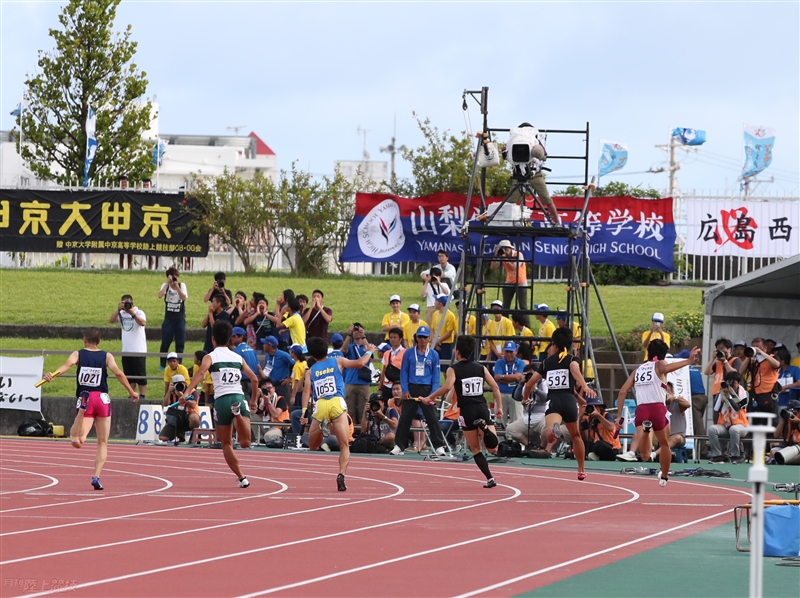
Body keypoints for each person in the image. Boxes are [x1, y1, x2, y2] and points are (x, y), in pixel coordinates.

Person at [41, 327, 139, 490]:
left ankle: (81, 410)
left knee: (77, 441)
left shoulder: (78, 354)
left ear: (84, 340)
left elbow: (66, 366)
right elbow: (119, 374)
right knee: (103, 442)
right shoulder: (107, 356)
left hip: (86, 397)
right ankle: (96, 476)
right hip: (102, 399)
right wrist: (131, 391)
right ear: (99, 341)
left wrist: (52, 375)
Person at [183, 321, 259, 488]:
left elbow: (201, 372)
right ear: (229, 339)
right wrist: (253, 400)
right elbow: (254, 378)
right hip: (238, 396)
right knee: (246, 443)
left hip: (222, 400)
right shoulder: (238, 357)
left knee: (226, 443)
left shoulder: (210, 357)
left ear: (213, 339)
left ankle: (242, 477)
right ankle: (238, 413)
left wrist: (188, 391)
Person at [615, 340, 701, 485]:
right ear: (663, 355)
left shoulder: (637, 370)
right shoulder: (660, 364)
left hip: (642, 409)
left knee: (645, 455)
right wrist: (689, 360)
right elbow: (667, 368)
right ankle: (665, 476)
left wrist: (619, 416)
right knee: (664, 444)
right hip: (658, 408)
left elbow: (623, 391)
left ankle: (647, 431)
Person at [424, 335, 503, 487]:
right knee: (493, 448)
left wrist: (430, 397)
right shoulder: (481, 368)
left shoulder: (453, 369)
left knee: (475, 448)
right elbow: (495, 386)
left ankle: (490, 478)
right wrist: (499, 407)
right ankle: (485, 428)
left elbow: (447, 387)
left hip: (467, 411)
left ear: (457, 352)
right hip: (481, 407)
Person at [300, 335, 376, 491]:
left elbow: (306, 391)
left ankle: (323, 428)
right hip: (336, 403)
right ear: (326, 349)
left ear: (312, 355)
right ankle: (341, 474)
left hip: (320, 405)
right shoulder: (337, 361)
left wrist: (303, 412)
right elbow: (361, 363)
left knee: (313, 446)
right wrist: (369, 351)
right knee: (344, 446)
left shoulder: (311, 371)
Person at [523, 327, 598, 480]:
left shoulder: (547, 362)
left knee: (549, 434)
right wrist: (583, 386)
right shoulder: (572, 359)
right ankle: (581, 469)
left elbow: (530, 383)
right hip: (569, 400)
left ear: (554, 345)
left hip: (554, 401)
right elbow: (573, 369)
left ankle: (554, 430)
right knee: (576, 435)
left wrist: (525, 398)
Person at [391, 326, 449, 456]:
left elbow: (436, 375)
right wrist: (404, 390)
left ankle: (439, 446)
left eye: (425, 337)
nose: (422, 340)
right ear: (416, 338)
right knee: (405, 417)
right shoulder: (409, 353)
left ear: (429, 338)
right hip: (411, 388)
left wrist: (433, 393)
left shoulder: (433, 354)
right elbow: (404, 372)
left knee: (432, 417)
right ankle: (399, 445)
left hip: (427, 388)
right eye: (420, 337)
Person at [109, 294, 148, 400]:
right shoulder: (121, 314)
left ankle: (142, 395)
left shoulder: (139, 312)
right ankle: (132, 393)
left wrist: (132, 313)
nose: (126, 305)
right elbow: (111, 320)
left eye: (128, 303)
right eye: (124, 303)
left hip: (138, 349)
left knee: (140, 375)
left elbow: (143, 322)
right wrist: (118, 309)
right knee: (129, 376)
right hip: (126, 350)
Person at [708, 371, 749, 464]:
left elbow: (736, 408)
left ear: (739, 383)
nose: (731, 385)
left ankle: (735, 455)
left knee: (734, 429)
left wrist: (729, 396)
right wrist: (721, 394)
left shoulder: (744, 394)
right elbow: (716, 408)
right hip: (725, 425)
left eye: (733, 382)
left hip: (741, 425)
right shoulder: (722, 393)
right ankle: (717, 456)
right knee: (712, 429)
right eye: (729, 382)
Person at [341, 323, 372, 424]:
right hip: (350, 381)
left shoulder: (366, 345)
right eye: (355, 331)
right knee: (349, 410)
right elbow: (343, 350)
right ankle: (349, 431)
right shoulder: (350, 346)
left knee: (364, 410)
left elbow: (370, 351)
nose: (357, 332)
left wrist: (363, 336)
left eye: (359, 330)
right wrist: (349, 334)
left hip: (364, 382)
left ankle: (362, 432)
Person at [157, 267, 188, 369]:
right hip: (169, 319)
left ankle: (179, 364)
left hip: (180, 319)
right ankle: (162, 364)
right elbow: (160, 296)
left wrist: (177, 287)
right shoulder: (165, 286)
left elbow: (184, 298)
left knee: (180, 343)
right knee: (165, 342)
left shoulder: (181, 285)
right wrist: (167, 284)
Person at [652, 381, 690, 462]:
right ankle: (639, 454)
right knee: (645, 432)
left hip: (677, 436)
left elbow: (688, 404)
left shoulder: (677, 403)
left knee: (677, 437)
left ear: (672, 392)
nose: (664, 393)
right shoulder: (659, 404)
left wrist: (674, 398)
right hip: (662, 435)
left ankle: (654, 454)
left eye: (667, 390)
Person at [739, 341, 780, 413]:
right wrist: (749, 356)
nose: (756, 349)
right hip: (756, 395)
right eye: (754, 347)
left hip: (769, 394)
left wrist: (762, 353)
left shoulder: (772, 357)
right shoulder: (754, 361)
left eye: (758, 347)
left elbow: (777, 365)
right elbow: (741, 371)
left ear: (765, 348)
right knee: (756, 420)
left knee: (770, 420)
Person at [159, 374, 200, 443]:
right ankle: (180, 434)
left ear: (184, 383)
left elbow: (193, 404)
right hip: (176, 418)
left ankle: (194, 435)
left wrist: (183, 397)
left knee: (194, 418)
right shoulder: (173, 392)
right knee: (162, 437)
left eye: (181, 384)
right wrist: (169, 391)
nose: (179, 386)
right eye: (176, 384)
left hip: (188, 417)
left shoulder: (192, 391)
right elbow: (165, 404)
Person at [493, 341, 526, 425]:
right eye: (507, 351)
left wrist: (503, 377)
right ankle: (500, 438)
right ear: (504, 351)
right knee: (500, 421)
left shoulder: (521, 363)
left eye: (511, 352)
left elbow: (519, 377)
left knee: (518, 422)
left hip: (516, 396)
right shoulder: (499, 362)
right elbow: (497, 377)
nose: (508, 354)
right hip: (501, 395)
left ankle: (516, 438)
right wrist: (513, 377)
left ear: (516, 351)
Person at [491, 240, 528, 312]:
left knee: (523, 306)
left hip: (521, 283)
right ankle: (506, 322)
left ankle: (526, 323)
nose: (505, 250)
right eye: (503, 248)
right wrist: (495, 256)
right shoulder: (502, 256)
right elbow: (493, 267)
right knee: (505, 306)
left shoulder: (518, 255)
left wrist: (506, 260)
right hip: (509, 282)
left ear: (511, 248)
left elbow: (514, 268)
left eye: (507, 248)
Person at [581, 397, 622, 461]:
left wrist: (598, 416)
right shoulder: (590, 419)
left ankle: (596, 456)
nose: (593, 410)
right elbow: (577, 429)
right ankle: (595, 456)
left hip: (612, 449)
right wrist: (581, 415)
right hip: (598, 447)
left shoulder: (607, 415)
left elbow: (611, 427)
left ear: (600, 407)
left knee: (599, 444)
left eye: (595, 407)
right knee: (581, 443)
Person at [253, 377, 289, 445]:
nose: (268, 391)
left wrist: (268, 401)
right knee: (251, 416)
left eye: (269, 388)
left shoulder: (280, 399)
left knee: (268, 436)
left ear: (274, 388)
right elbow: (252, 412)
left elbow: (275, 414)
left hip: (278, 427)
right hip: (265, 425)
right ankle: (260, 439)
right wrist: (256, 396)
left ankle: (266, 439)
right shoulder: (260, 400)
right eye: (265, 389)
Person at [260, 336, 294, 402]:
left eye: (265, 343)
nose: (263, 345)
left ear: (270, 346)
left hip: (282, 386)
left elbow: (295, 365)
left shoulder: (283, 355)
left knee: (285, 407)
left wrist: (290, 378)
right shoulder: (267, 356)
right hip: (271, 386)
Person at [232, 326, 262, 397]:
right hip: (254, 383)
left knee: (246, 406)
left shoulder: (236, 351)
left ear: (241, 337)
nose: (231, 339)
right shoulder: (252, 350)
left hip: (243, 383)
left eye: (234, 336)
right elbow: (259, 367)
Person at [378, 328, 406, 399]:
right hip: (387, 386)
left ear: (400, 339)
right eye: (391, 338)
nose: (392, 340)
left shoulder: (406, 353)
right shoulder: (387, 353)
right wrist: (380, 388)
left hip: (399, 387)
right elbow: (383, 371)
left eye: (395, 338)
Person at [430, 295, 457, 367]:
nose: (434, 303)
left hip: (446, 344)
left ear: (441, 303)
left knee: (446, 367)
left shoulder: (450, 315)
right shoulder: (435, 314)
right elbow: (432, 328)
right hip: (436, 343)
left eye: (436, 301)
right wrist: (434, 341)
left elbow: (449, 332)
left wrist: (438, 341)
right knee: (434, 366)